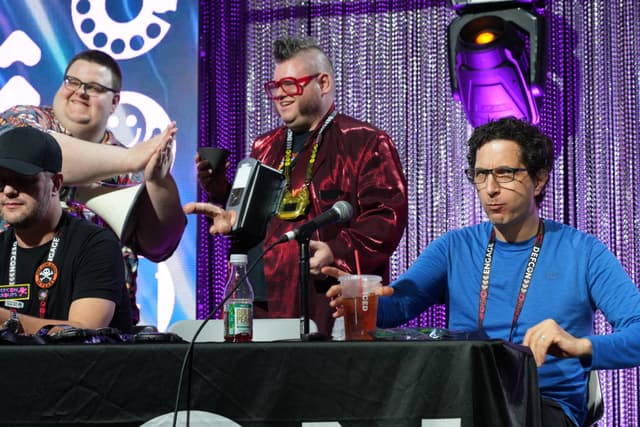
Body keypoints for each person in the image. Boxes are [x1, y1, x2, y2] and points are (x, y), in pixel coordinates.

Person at [324, 117, 640, 426]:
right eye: (481, 174)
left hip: (543, 403)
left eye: (504, 174)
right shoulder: (453, 248)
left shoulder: (582, 252)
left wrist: (581, 346)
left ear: (539, 179)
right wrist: (359, 297)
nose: (490, 189)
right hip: (462, 398)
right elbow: (399, 304)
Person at [185, 36, 408, 336]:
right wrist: (228, 205)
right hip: (258, 302)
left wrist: (336, 249)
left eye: (289, 84)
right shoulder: (265, 146)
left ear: (324, 83)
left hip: (322, 301)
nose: (279, 95)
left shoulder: (364, 141)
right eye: (274, 87)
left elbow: (386, 218)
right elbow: (260, 218)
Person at [0, 49, 186, 324]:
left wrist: (158, 181)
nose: (80, 92)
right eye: (72, 82)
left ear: (115, 102)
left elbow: (159, 246)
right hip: (16, 302)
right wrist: (128, 159)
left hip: (102, 324)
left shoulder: (132, 170)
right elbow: (42, 151)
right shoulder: (23, 121)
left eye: (95, 87)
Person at [0, 126, 131, 334]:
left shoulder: (96, 245)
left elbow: (83, 333)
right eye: (1, 181)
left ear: (55, 184)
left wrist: (6, 320)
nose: (9, 190)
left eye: (22, 179)